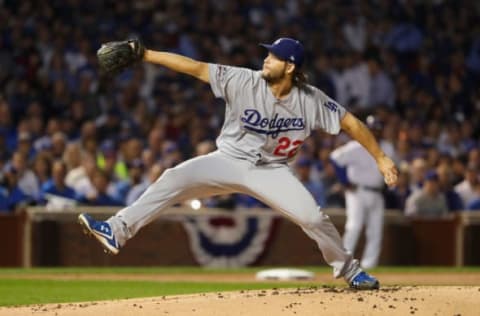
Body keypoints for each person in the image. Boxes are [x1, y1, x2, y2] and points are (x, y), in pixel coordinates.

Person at [79, 37, 398, 290]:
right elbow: (194, 67)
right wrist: (146, 54)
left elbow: (351, 123)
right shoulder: (243, 80)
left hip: (271, 171)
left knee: (313, 219)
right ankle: (116, 229)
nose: (265, 59)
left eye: (273, 56)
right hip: (228, 159)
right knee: (173, 178)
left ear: (289, 67)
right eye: (267, 54)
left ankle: (350, 271)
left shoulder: (310, 98)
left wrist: (381, 158)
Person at [329, 116, 394, 270]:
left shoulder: (387, 147)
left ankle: (370, 265)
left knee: (376, 231)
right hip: (357, 192)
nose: (375, 132)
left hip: (377, 193)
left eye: (378, 129)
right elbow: (334, 158)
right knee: (354, 227)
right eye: (373, 129)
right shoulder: (355, 146)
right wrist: (344, 181)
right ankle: (343, 264)